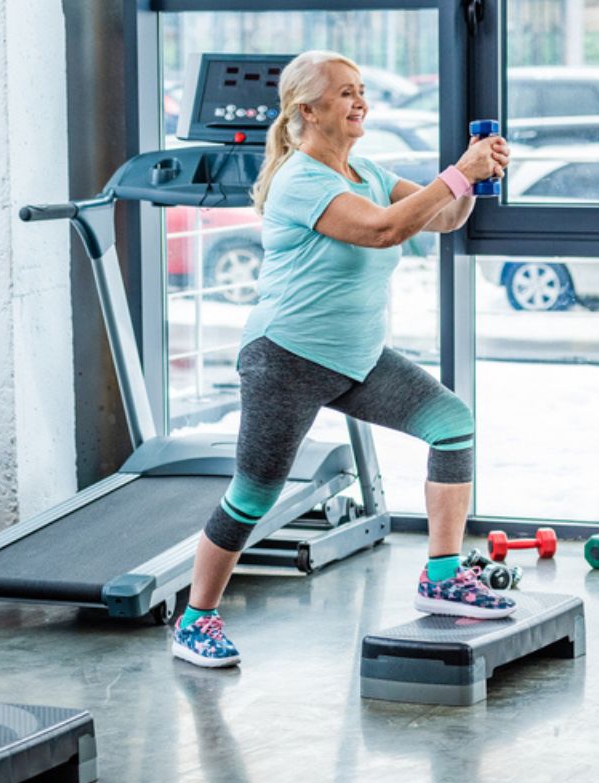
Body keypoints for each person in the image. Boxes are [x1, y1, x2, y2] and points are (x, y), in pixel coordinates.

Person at [172, 51, 511, 669]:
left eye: (362, 91)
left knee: (451, 423)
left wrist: (477, 178)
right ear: (308, 110)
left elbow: (443, 217)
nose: (360, 102)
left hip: (356, 358)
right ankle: (195, 620)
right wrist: (456, 175)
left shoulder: (369, 172)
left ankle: (440, 576)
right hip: (285, 358)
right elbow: (382, 231)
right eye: (345, 93)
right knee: (253, 495)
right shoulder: (300, 180)